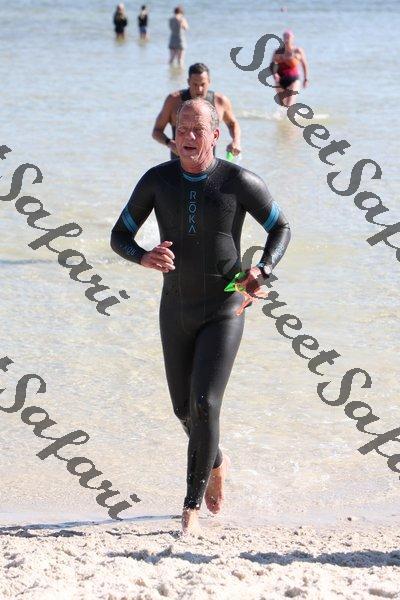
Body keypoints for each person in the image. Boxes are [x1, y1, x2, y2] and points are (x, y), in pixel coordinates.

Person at [110, 98, 291, 535]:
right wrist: (143, 256)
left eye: (198, 130)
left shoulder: (238, 181)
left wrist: (262, 269)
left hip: (226, 304)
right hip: (175, 306)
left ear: (216, 135)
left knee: (205, 403)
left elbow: (281, 227)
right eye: (182, 129)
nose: (189, 137)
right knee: (183, 410)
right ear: (173, 136)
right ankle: (217, 461)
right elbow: (119, 235)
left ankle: (189, 508)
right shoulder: (157, 180)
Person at [152, 62, 241, 160]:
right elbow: (156, 131)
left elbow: (232, 124)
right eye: (195, 84)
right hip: (178, 162)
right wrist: (169, 143)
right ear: (188, 82)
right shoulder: (173, 101)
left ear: (209, 81)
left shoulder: (220, 101)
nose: (199, 89)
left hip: (208, 164)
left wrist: (236, 141)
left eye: (203, 84)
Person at [271, 30, 309, 111]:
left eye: (288, 37)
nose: (287, 39)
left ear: (292, 38)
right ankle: (286, 119)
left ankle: (292, 116)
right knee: (283, 106)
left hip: (294, 80)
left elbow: (304, 64)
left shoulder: (298, 51)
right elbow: (272, 64)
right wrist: (274, 74)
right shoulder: (277, 51)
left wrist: (306, 78)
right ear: (283, 38)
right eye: (285, 37)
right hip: (280, 81)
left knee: (289, 105)